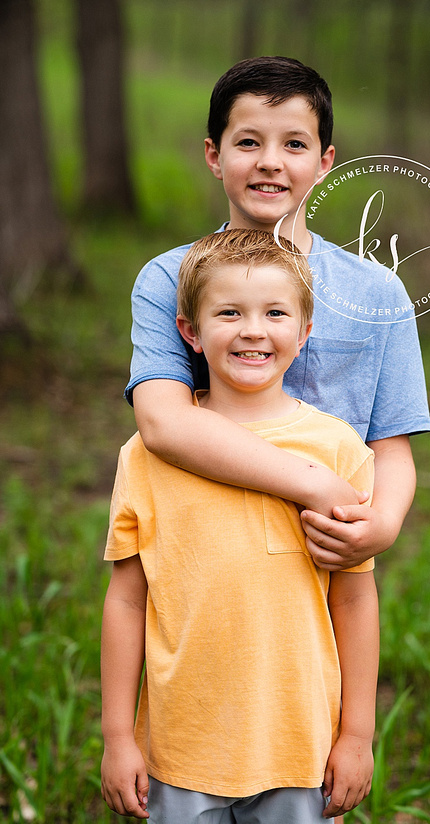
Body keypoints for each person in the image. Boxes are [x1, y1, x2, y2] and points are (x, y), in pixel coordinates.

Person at [101, 229, 378, 821]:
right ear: (190, 332)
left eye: (275, 313)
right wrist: (119, 737)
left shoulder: (337, 450)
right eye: (229, 312)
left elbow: (353, 600)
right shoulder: (144, 457)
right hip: (180, 750)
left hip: (299, 746)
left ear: (303, 335)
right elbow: (126, 601)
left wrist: (357, 735)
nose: (254, 329)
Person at [127, 56, 430, 574]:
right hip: (209, 552)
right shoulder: (169, 278)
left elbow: (391, 443)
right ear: (214, 155)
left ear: (325, 160)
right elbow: (162, 422)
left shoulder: (377, 291)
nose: (270, 161)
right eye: (248, 142)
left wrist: (383, 522)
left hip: (328, 554)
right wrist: (313, 481)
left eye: (294, 144)